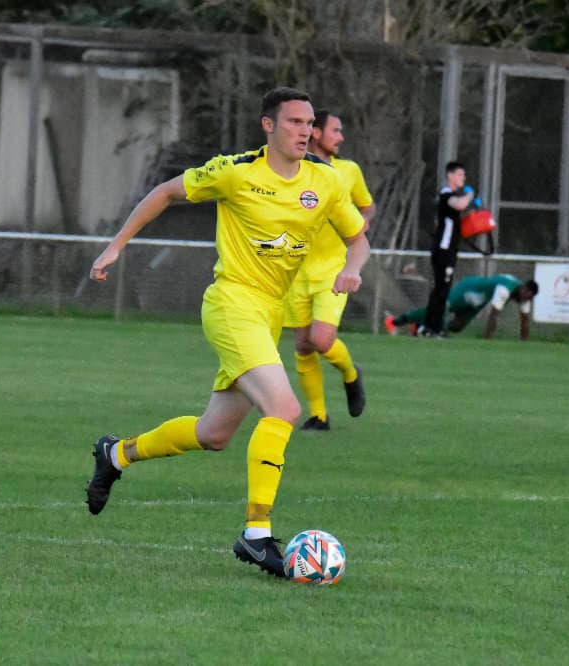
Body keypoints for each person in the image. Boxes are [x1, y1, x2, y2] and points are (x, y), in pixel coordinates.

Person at [85, 87, 370, 579]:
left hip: (269, 314)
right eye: (294, 122)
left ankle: (117, 454)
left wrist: (352, 269)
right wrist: (115, 246)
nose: (305, 131)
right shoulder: (235, 172)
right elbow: (166, 192)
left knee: (213, 434)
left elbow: (358, 238)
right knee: (285, 408)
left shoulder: (324, 181)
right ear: (268, 125)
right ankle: (256, 534)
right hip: (232, 304)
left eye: (309, 123)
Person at [283, 110, 376, 431]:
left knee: (322, 339)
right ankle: (319, 416)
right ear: (317, 133)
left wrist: (360, 224)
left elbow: (367, 205)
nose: (341, 137)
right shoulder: (293, 170)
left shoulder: (348, 171)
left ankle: (351, 373)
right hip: (296, 271)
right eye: (335, 131)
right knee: (303, 345)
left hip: (333, 269)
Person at [385, 274, 538, 340]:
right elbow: (493, 315)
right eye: (527, 297)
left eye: (529, 299)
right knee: (439, 309)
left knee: (458, 326)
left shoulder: (523, 295)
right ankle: (394, 321)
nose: (526, 300)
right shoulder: (504, 289)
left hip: (478, 301)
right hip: (468, 290)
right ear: (524, 288)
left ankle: (421, 327)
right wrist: (488, 340)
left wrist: (524, 344)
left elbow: (525, 322)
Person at [419, 161, 476, 337]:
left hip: (450, 250)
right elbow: (459, 204)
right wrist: (470, 195)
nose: (463, 178)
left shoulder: (453, 197)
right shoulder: (446, 194)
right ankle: (432, 328)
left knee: (442, 289)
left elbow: (459, 215)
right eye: (459, 175)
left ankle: (430, 327)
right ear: (450, 176)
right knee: (441, 289)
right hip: (443, 250)